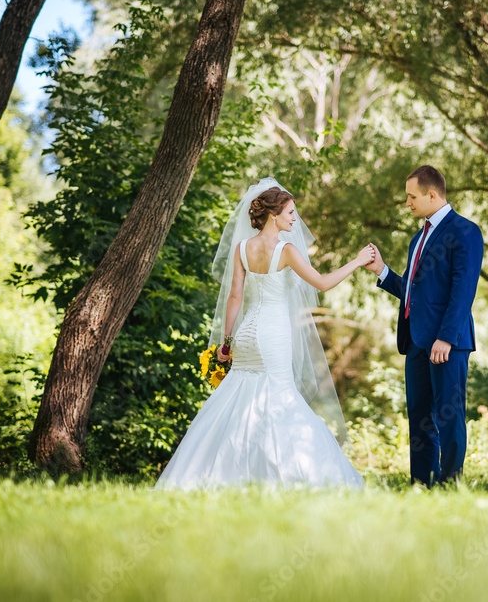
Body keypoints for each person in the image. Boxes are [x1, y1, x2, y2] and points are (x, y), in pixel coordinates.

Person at [153, 178, 370, 490]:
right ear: (274, 215)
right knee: (279, 399)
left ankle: (218, 474)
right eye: (291, 212)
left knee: (241, 397)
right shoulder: (286, 250)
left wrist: (225, 343)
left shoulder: (242, 248)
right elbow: (322, 283)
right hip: (272, 334)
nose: (295, 219)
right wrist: (358, 261)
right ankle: (287, 474)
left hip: (245, 335)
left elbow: (234, 298)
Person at [366, 166, 484, 486]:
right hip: (417, 341)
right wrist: (383, 272)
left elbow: (463, 290)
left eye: (411, 196)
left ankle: (451, 483)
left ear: (432, 195)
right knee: (419, 416)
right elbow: (415, 292)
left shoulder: (465, 231)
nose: (407, 203)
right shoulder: (418, 237)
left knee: (448, 414)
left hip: (448, 341)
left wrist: (445, 337)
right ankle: (422, 482)